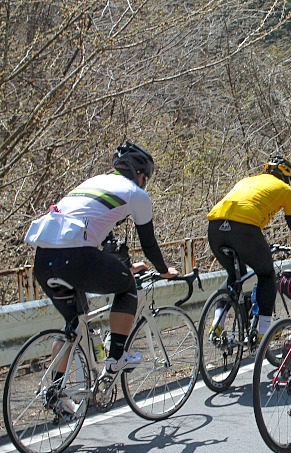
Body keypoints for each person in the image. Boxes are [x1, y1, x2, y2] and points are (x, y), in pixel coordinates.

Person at [25, 141, 179, 377]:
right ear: (139, 175)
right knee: (126, 284)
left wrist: (127, 264)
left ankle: (56, 395)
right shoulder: (136, 194)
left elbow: (106, 239)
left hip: (44, 259)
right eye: (146, 178)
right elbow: (148, 244)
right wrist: (163, 269)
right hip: (74, 257)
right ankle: (117, 358)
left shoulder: (95, 183)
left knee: (72, 325)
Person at [206, 155, 291, 338]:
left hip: (215, 226)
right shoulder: (285, 189)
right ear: (287, 176)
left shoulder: (247, 180)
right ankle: (264, 331)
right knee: (266, 274)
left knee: (234, 275)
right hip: (244, 228)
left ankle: (217, 322)